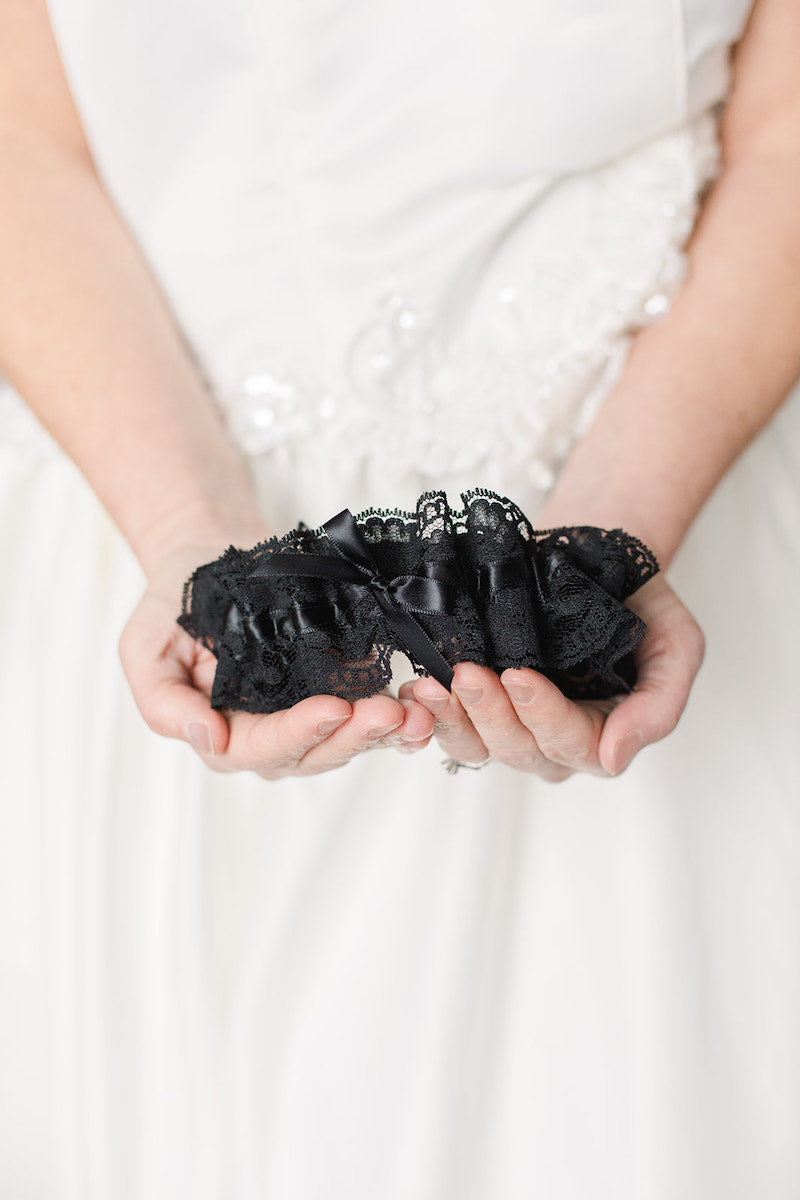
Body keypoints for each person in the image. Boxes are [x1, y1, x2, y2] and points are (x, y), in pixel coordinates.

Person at [0, 0, 798, 1195]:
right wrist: (184, 542)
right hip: (139, 481)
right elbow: (25, 138)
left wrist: (604, 549)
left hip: (667, 461)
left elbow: (784, 136)